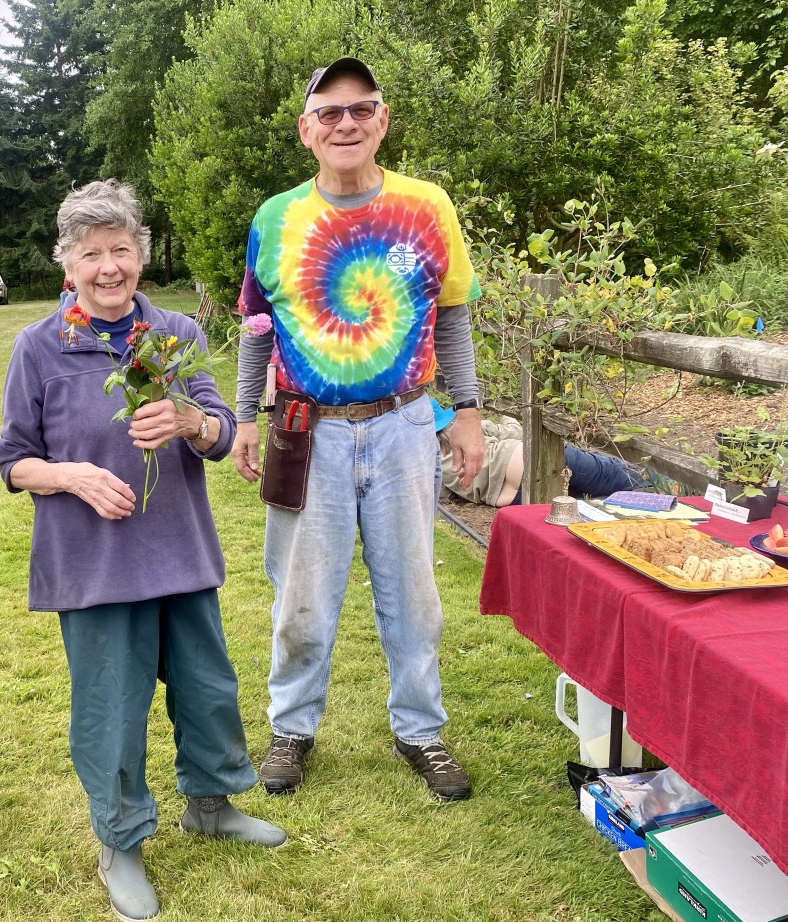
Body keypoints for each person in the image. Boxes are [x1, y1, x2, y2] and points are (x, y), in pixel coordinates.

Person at [0, 179, 285, 922]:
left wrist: (188, 421)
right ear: (68, 265)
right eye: (91, 254)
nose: (109, 267)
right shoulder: (40, 347)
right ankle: (120, 841)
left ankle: (210, 805)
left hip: (179, 551)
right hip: (94, 566)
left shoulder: (175, 334)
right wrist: (72, 476)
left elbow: (221, 432)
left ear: (141, 256)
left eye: (120, 249)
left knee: (207, 689)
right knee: (111, 708)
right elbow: (13, 462)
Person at [231, 57, 486, 801]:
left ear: (383, 120)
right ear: (305, 130)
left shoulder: (427, 206)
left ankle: (421, 730)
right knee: (300, 595)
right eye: (329, 112)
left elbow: (452, 315)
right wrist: (245, 417)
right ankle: (291, 728)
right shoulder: (275, 219)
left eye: (361, 109)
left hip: (404, 424)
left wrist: (467, 410)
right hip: (305, 432)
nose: (346, 123)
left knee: (413, 592)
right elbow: (255, 327)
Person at [431, 401, 652, 505]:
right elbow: (517, 432)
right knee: (613, 475)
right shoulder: (464, 430)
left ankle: (653, 501)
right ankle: (665, 486)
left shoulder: (430, 458)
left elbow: (441, 492)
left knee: (593, 502)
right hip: (526, 461)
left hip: (510, 498)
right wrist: (509, 416)